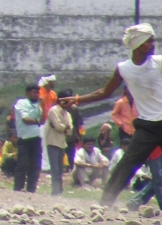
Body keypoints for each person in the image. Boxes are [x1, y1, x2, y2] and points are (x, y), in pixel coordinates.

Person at [59, 24, 162, 206]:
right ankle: (105, 204)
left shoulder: (159, 62)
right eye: (149, 41)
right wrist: (77, 99)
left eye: (153, 40)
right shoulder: (124, 69)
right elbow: (104, 92)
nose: (153, 44)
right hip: (147, 126)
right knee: (127, 164)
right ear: (137, 45)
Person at [13, 84, 43, 193]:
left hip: (36, 137)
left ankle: (31, 189)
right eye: (34, 92)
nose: (36, 95)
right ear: (28, 93)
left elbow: (43, 120)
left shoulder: (39, 105)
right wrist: (36, 121)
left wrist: (43, 107)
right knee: (22, 164)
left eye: (37, 93)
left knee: (35, 165)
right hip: (24, 138)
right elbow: (25, 119)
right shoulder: (21, 103)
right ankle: (18, 188)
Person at [44, 88, 74, 196]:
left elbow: (70, 130)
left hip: (62, 143)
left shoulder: (67, 114)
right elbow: (58, 126)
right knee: (55, 168)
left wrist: (63, 128)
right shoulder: (53, 110)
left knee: (60, 168)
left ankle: (59, 190)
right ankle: (55, 190)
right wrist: (65, 127)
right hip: (53, 142)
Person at [38, 75, 57, 172]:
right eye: (52, 82)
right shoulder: (41, 92)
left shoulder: (53, 94)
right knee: (43, 143)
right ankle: (44, 166)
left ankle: (49, 165)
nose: (54, 83)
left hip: (51, 121)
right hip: (42, 122)